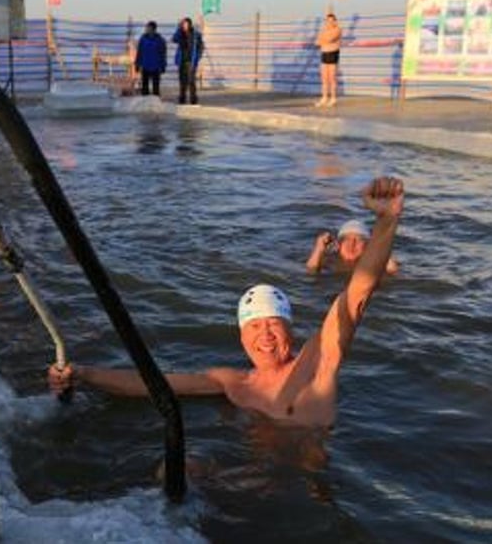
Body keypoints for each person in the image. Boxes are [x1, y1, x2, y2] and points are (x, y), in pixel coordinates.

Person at [49, 177, 404, 428]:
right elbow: (155, 385)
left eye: (273, 324)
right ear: (241, 337)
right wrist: (82, 374)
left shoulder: (315, 365)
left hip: (301, 491)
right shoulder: (234, 383)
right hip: (250, 479)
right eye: (255, 326)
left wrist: (386, 221)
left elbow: (355, 296)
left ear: (290, 331)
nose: (265, 334)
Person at [306, 219, 399, 275]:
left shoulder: (373, 264)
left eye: (359, 240)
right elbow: (310, 272)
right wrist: (318, 249)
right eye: (347, 239)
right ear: (339, 245)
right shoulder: (329, 260)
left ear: (366, 246)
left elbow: (393, 278)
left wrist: (385, 253)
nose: (352, 243)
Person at [172, 17, 204, 105]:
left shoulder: (196, 34)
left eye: (186, 24)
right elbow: (174, 39)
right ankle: (182, 99)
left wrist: (197, 57)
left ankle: (193, 100)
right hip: (181, 61)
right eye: (183, 24)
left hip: (191, 61)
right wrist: (179, 29)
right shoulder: (180, 34)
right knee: (182, 81)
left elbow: (201, 47)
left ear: (190, 24)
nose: (184, 26)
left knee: (191, 81)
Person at [313, 13, 342, 107]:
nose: (329, 22)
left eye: (331, 20)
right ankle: (324, 97)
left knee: (332, 78)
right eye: (328, 21)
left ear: (335, 21)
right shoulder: (324, 30)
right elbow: (317, 42)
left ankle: (333, 98)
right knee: (324, 79)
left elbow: (330, 39)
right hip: (324, 53)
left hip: (333, 54)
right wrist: (323, 40)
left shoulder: (337, 29)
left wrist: (323, 40)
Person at [134, 21, 167, 97]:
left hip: (156, 67)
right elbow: (139, 52)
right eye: (146, 27)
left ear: (154, 29)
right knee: (145, 87)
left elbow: (163, 54)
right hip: (145, 66)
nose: (147, 29)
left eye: (149, 28)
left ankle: (156, 103)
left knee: (156, 88)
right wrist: (137, 64)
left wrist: (163, 65)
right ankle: (145, 103)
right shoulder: (143, 39)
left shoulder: (160, 40)